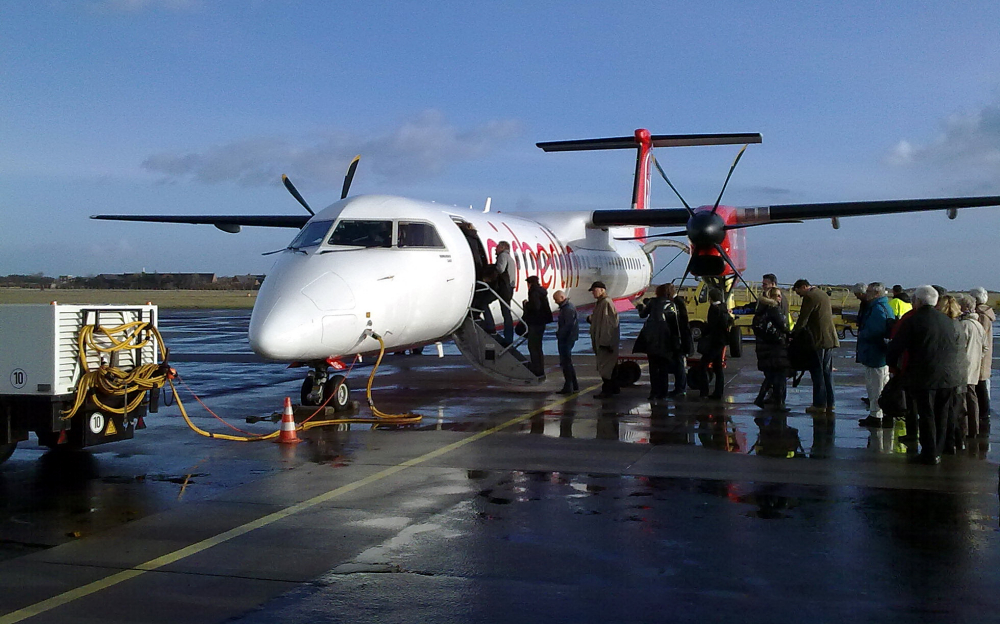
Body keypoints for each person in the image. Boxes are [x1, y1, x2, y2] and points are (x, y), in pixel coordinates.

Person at [886, 285, 965, 464]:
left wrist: (893, 366)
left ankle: (929, 453)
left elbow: (896, 347)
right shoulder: (947, 321)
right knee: (942, 414)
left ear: (918, 301)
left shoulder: (914, 321)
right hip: (949, 375)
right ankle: (939, 449)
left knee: (926, 413)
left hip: (924, 375)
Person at [792, 279, 841, 414]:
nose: (800, 296)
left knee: (817, 372)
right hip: (829, 338)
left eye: (799, 293)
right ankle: (830, 403)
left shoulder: (810, 297)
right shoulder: (822, 293)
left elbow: (803, 318)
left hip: (818, 340)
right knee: (827, 372)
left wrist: (794, 333)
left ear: (804, 287)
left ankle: (819, 404)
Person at [634, 284, 684, 402]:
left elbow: (643, 315)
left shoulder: (652, 302)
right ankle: (663, 392)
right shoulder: (670, 305)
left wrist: (640, 307)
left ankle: (654, 392)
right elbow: (675, 324)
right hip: (665, 341)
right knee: (663, 368)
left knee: (653, 368)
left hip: (651, 341)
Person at [856, 283, 894, 428]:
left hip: (876, 353)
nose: (867, 294)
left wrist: (863, 334)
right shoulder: (878, 307)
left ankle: (876, 415)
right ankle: (879, 413)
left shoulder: (878, 309)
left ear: (877, 293)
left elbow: (875, 330)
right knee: (878, 384)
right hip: (875, 352)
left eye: (870, 291)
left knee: (876, 387)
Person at [752, 286, 790, 411]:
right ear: (773, 297)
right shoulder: (774, 309)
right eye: (778, 296)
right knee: (779, 375)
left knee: (771, 376)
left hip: (764, 346)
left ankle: (760, 397)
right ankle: (779, 403)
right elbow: (783, 326)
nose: (780, 298)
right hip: (775, 347)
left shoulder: (761, 308)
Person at [956, 294, 987, 441]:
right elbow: (985, 347)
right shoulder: (978, 325)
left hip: (964, 367)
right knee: (972, 397)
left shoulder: (964, 325)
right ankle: (973, 428)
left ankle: (965, 430)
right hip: (973, 366)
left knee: (963, 400)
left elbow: (957, 347)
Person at [693, 287, 731, 399]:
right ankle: (718, 392)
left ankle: (704, 391)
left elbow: (712, 326)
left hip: (715, 342)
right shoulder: (723, 307)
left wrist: (704, 330)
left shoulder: (714, 309)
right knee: (718, 367)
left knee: (703, 366)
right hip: (721, 341)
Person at [588, 281, 620, 398]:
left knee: (606, 367)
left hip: (605, 342)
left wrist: (606, 342)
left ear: (602, 290)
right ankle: (614, 388)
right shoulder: (601, 303)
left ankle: (607, 390)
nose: (593, 293)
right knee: (609, 366)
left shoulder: (605, 303)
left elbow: (609, 323)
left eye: (594, 290)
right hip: (603, 340)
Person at [971, 286, 994, 435]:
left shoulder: (982, 315)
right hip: (983, 355)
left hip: (981, 355)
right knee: (981, 383)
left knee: (980, 383)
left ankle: (984, 414)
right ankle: (984, 412)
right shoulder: (986, 313)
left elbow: (982, 337)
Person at [521, 275, 552, 377]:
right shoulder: (542, 291)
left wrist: (526, 304)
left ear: (529, 284)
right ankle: (539, 368)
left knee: (533, 346)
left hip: (535, 322)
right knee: (538, 347)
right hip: (541, 322)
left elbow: (535, 306)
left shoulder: (533, 291)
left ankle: (536, 368)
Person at [664, 283, 691, 396]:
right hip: (678, 337)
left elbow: (682, 321)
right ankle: (679, 387)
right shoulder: (677, 302)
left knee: (679, 364)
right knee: (677, 364)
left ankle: (680, 388)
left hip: (679, 338)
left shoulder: (677, 303)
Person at [553, 290, 579, 394]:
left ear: (562, 297)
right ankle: (573, 384)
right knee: (567, 362)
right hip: (569, 338)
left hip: (566, 339)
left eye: (556, 299)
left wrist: (560, 334)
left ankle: (569, 385)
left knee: (565, 362)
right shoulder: (568, 307)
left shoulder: (567, 309)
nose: (555, 302)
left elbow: (568, 325)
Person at [493, 241, 517, 344]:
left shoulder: (503, 256)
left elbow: (500, 269)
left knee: (506, 314)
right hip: (510, 288)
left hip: (504, 288)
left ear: (502, 247)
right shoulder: (510, 258)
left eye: (497, 247)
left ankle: (508, 338)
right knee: (507, 313)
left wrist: (492, 269)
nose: (495, 249)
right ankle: (509, 337)